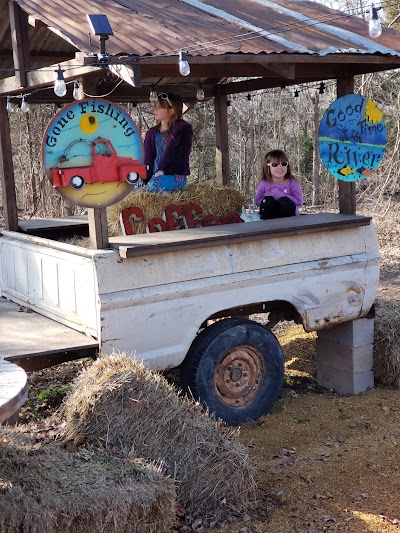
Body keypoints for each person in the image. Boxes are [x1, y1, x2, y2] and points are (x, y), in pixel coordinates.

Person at [140, 92, 193, 193]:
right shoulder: (152, 133)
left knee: (153, 185)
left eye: (159, 107)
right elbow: (148, 158)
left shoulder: (182, 130)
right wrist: (144, 178)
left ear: (172, 110)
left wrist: (164, 171)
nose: (155, 109)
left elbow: (181, 156)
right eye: (155, 106)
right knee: (135, 188)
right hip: (154, 176)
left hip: (174, 176)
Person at [255, 149, 303, 219]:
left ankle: (289, 228)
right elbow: (257, 202)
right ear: (267, 167)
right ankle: (268, 226)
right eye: (275, 164)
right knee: (268, 201)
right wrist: (268, 195)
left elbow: (299, 202)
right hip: (269, 220)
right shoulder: (264, 183)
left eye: (283, 164)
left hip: (290, 220)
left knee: (284, 201)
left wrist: (284, 195)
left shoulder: (292, 182)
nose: (280, 167)